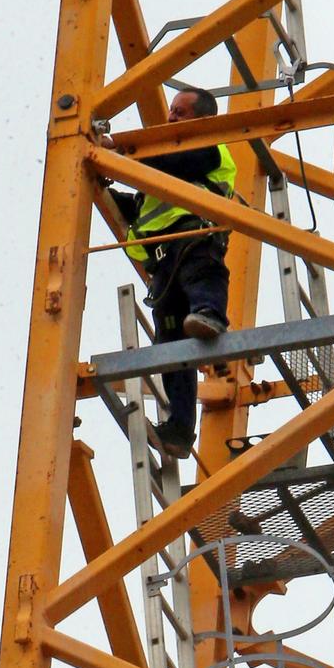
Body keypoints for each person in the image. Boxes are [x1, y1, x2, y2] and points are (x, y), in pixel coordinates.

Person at [106, 86, 235, 459]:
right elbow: (141, 204)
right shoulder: (162, 162)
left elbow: (176, 167)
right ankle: (180, 429)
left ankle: (211, 317)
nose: (171, 118)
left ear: (202, 120)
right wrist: (105, 182)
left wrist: (124, 155)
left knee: (203, 283)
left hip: (193, 237)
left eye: (180, 112)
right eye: (172, 111)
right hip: (163, 262)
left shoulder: (208, 148)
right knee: (172, 347)